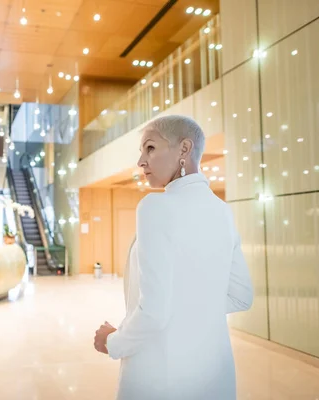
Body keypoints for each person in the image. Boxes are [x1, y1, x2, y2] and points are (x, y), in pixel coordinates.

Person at [93, 115, 254, 400]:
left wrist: (113, 342)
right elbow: (241, 296)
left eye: (150, 148)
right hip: (215, 374)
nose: (141, 161)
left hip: (160, 376)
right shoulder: (222, 211)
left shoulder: (155, 207)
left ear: (184, 149)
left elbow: (154, 312)